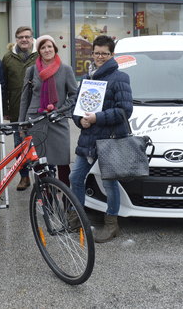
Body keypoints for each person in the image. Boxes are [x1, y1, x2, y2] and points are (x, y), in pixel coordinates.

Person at [70, 35, 132, 243]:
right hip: (89, 138)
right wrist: (80, 121)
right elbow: (77, 108)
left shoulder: (120, 78)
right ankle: (78, 218)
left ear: (112, 54)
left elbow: (125, 111)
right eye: (97, 52)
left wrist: (97, 118)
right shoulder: (88, 78)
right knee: (75, 178)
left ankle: (111, 224)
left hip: (111, 139)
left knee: (109, 184)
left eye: (104, 53)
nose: (100, 57)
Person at [18, 35, 77, 186]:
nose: (47, 50)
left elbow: (74, 95)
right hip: (36, 121)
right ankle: (46, 201)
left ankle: (67, 202)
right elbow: (25, 98)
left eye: (49, 46)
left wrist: (61, 110)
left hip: (58, 119)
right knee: (40, 163)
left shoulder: (66, 69)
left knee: (63, 162)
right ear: (39, 51)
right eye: (43, 47)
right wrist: (22, 123)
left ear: (55, 48)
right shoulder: (31, 71)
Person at [2, 26, 38, 190]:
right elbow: (4, 85)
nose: (24, 39)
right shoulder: (8, 58)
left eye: (27, 37)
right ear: (16, 39)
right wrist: (5, 109)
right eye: (21, 37)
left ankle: (40, 178)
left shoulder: (39, 55)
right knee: (19, 147)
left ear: (32, 39)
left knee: (38, 146)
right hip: (17, 111)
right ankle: (24, 177)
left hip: (37, 110)